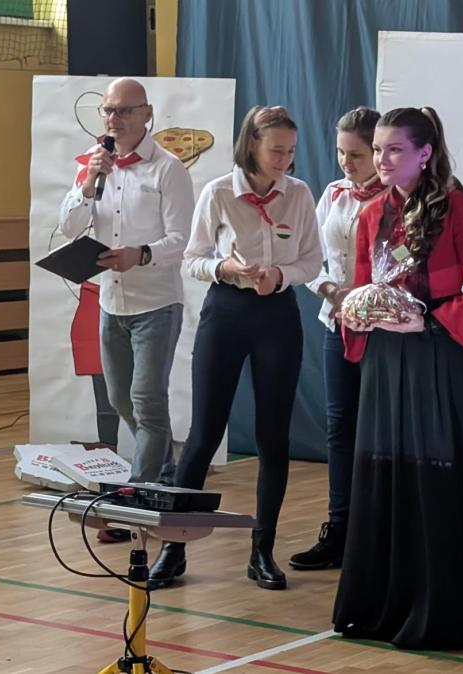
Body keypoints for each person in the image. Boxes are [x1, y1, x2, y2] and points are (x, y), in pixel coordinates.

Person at [331, 107, 463, 650]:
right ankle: (381, 608)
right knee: (383, 475)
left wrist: (426, 320)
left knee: (434, 481)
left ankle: (440, 612)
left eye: (394, 149)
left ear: (425, 153)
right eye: (378, 149)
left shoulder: (457, 208)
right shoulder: (370, 214)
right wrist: (356, 315)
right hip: (385, 362)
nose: (381, 159)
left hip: (438, 358)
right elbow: (362, 287)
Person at [147, 105, 322, 590]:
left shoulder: (299, 194)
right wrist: (225, 268)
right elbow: (193, 258)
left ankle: (262, 550)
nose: (284, 160)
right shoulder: (219, 191)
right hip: (227, 310)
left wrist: (280, 275)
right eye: (276, 150)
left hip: (277, 314)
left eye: (290, 151)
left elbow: (312, 260)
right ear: (252, 145)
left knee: (274, 437)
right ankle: (173, 548)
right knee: (203, 433)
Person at [59, 77, 194, 497]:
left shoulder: (168, 168)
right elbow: (69, 226)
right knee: (120, 400)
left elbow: (182, 239)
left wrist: (142, 254)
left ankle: (138, 492)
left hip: (157, 304)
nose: (113, 118)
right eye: (108, 110)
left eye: (124, 110)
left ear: (146, 114)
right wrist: (87, 184)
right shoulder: (94, 164)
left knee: (147, 399)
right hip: (111, 302)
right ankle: (166, 472)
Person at [290, 106, 387, 571]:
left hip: (384, 330)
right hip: (338, 323)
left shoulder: (398, 198)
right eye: (340, 153)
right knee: (340, 427)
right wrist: (331, 289)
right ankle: (339, 527)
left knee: (380, 428)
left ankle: (380, 531)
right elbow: (309, 258)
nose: (347, 162)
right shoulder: (333, 194)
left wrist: (369, 297)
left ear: (379, 152)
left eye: (357, 154)